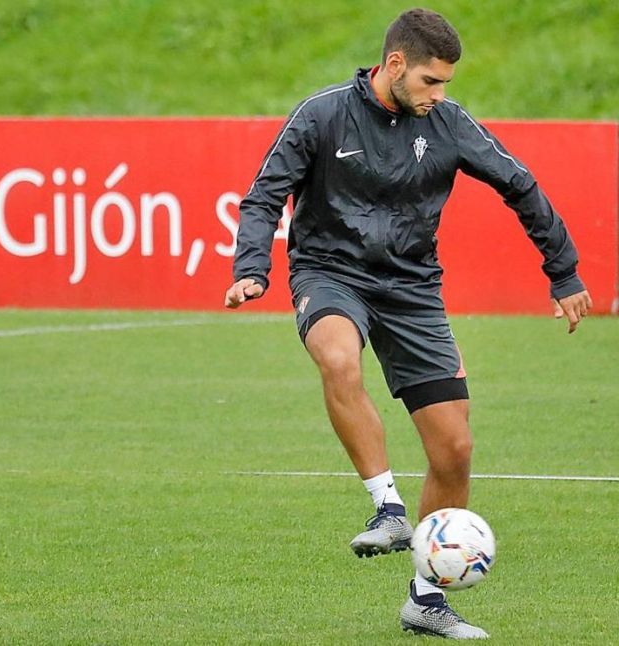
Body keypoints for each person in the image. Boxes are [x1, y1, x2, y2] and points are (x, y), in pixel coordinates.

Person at [224, 7, 592, 640]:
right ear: (394, 64)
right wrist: (252, 265)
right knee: (338, 358)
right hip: (328, 273)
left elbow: (520, 183)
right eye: (430, 81)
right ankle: (388, 507)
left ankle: (426, 600)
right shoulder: (321, 115)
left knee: (455, 448)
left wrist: (563, 272)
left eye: (446, 82)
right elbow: (264, 194)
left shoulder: (447, 123)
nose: (439, 94)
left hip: (413, 289)